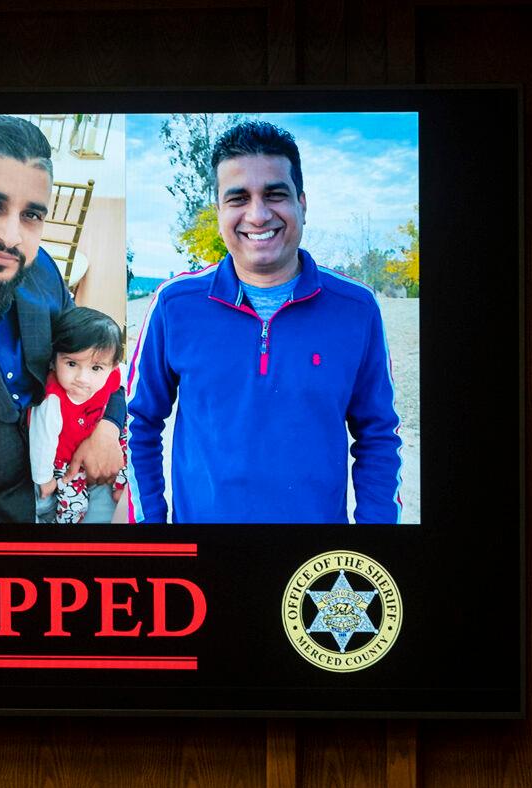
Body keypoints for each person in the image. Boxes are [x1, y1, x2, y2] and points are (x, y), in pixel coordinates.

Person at [127, 120, 403, 523]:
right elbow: (138, 423)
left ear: (302, 203)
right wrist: (152, 527)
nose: (258, 215)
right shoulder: (174, 304)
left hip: (314, 569)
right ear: (219, 210)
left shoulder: (356, 308)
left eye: (275, 194)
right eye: (238, 198)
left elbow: (378, 435)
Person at [0, 114, 126, 523]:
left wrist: (108, 426)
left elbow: (96, 351)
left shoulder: (42, 274)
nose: (11, 236)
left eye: (31, 215)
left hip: (63, 488)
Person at [29, 307, 128, 523]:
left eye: (96, 368)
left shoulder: (110, 375)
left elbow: (125, 378)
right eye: (72, 364)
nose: (83, 378)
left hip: (95, 436)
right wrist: (44, 479)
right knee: (74, 504)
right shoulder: (51, 400)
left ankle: (123, 490)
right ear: (54, 361)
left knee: (129, 449)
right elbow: (41, 444)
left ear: (111, 367)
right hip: (64, 462)